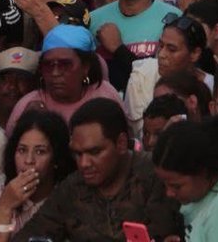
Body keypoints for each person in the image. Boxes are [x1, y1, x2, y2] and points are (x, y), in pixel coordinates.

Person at [12, 97, 181, 242]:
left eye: (95, 152)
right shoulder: (72, 188)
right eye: (77, 154)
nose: (84, 163)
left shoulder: (158, 175)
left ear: (121, 143)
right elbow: (30, 235)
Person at [6, 24, 122, 131]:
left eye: (65, 65)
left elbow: (130, 146)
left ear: (85, 67)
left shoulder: (105, 95)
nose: (55, 73)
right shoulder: (28, 105)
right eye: (48, 65)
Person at [152, 116, 218, 242]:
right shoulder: (202, 188)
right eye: (164, 184)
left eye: (176, 186)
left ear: (203, 172)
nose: (168, 193)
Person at [0, 107, 74, 237]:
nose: (29, 160)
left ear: (56, 159)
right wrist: (5, 207)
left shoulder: (69, 193)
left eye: (40, 151)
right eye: (22, 150)